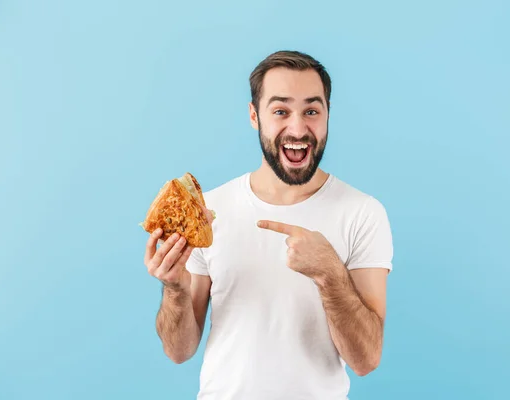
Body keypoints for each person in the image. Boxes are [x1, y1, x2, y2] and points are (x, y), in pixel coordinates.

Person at [144, 50, 394, 400]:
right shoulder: (210, 211)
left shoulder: (363, 213)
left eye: (311, 111)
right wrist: (174, 288)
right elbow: (179, 350)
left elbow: (366, 360)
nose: (297, 128)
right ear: (254, 116)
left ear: (327, 115)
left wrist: (330, 275)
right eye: (280, 111)